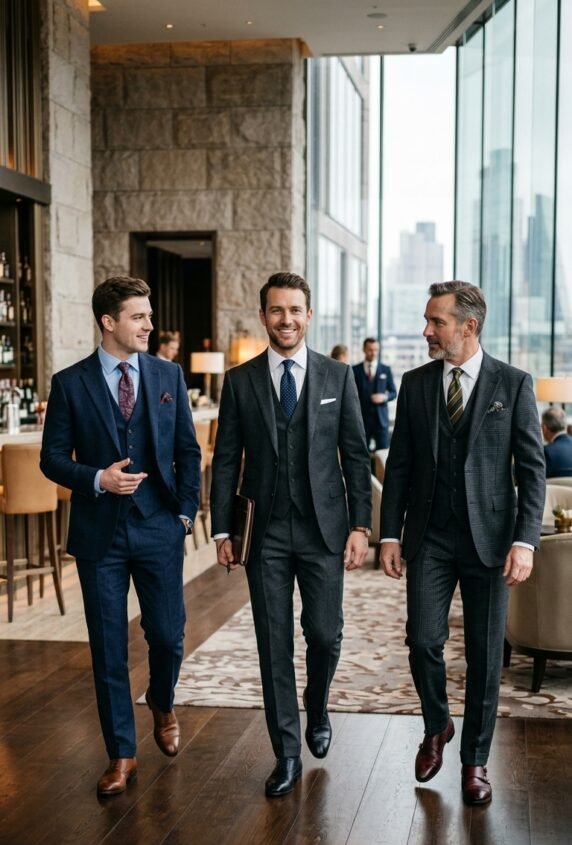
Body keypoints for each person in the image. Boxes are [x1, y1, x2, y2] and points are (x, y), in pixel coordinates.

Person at [380, 281, 545, 806]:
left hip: (492, 543)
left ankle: (474, 762)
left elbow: (532, 471)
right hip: (428, 536)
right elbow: (400, 464)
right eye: (428, 321)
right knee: (423, 640)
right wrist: (390, 533)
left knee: (484, 656)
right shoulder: (416, 383)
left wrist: (525, 540)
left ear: (468, 327)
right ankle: (437, 725)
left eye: (436, 322)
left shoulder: (514, 384)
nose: (426, 331)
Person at [211, 271, 372, 798]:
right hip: (266, 533)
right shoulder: (239, 381)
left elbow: (354, 455)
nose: (286, 319)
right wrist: (222, 529)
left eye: (295, 310)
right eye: (276, 310)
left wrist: (360, 525)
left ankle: (318, 705)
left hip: (324, 529)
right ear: (263, 317)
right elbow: (226, 461)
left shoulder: (338, 377)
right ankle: (285, 752)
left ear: (309, 314)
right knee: (272, 642)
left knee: (324, 633)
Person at [40, 277, 202, 797]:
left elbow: (188, 451)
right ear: (109, 322)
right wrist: (96, 478)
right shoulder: (70, 383)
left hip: (159, 527)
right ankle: (122, 753)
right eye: (139, 317)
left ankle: (161, 697)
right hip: (99, 535)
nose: (149, 326)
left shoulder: (168, 375)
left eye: (149, 317)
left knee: (168, 635)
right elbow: (52, 458)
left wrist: (183, 516)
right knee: (108, 647)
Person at [352, 337, 396, 450]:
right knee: (361, 452)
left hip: (381, 421)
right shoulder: (354, 370)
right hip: (362, 420)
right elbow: (351, 395)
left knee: (382, 453)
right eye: (370, 349)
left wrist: (384, 397)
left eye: (376, 350)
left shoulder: (386, 370)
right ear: (364, 349)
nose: (373, 353)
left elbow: (393, 392)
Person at [541, 406, 572, 477]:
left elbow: (537, 479)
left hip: (553, 487)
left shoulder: (546, 452)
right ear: (565, 426)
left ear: (544, 428)